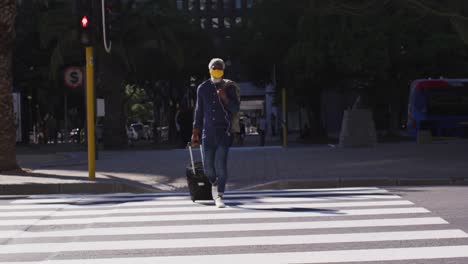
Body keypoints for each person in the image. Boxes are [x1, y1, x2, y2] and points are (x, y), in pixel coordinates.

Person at [191, 58, 240, 208]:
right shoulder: (202, 88)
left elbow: (235, 109)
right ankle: (214, 183)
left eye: (219, 68)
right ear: (209, 69)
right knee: (208, 168)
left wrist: (224, 97)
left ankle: (219, 195)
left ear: (223, 70)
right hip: (207, 133)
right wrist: (195, 131)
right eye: (214, 67)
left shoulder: (229, 87)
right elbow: (199, 112)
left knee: (221, 165)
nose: (216, 70)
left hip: (224, 133)